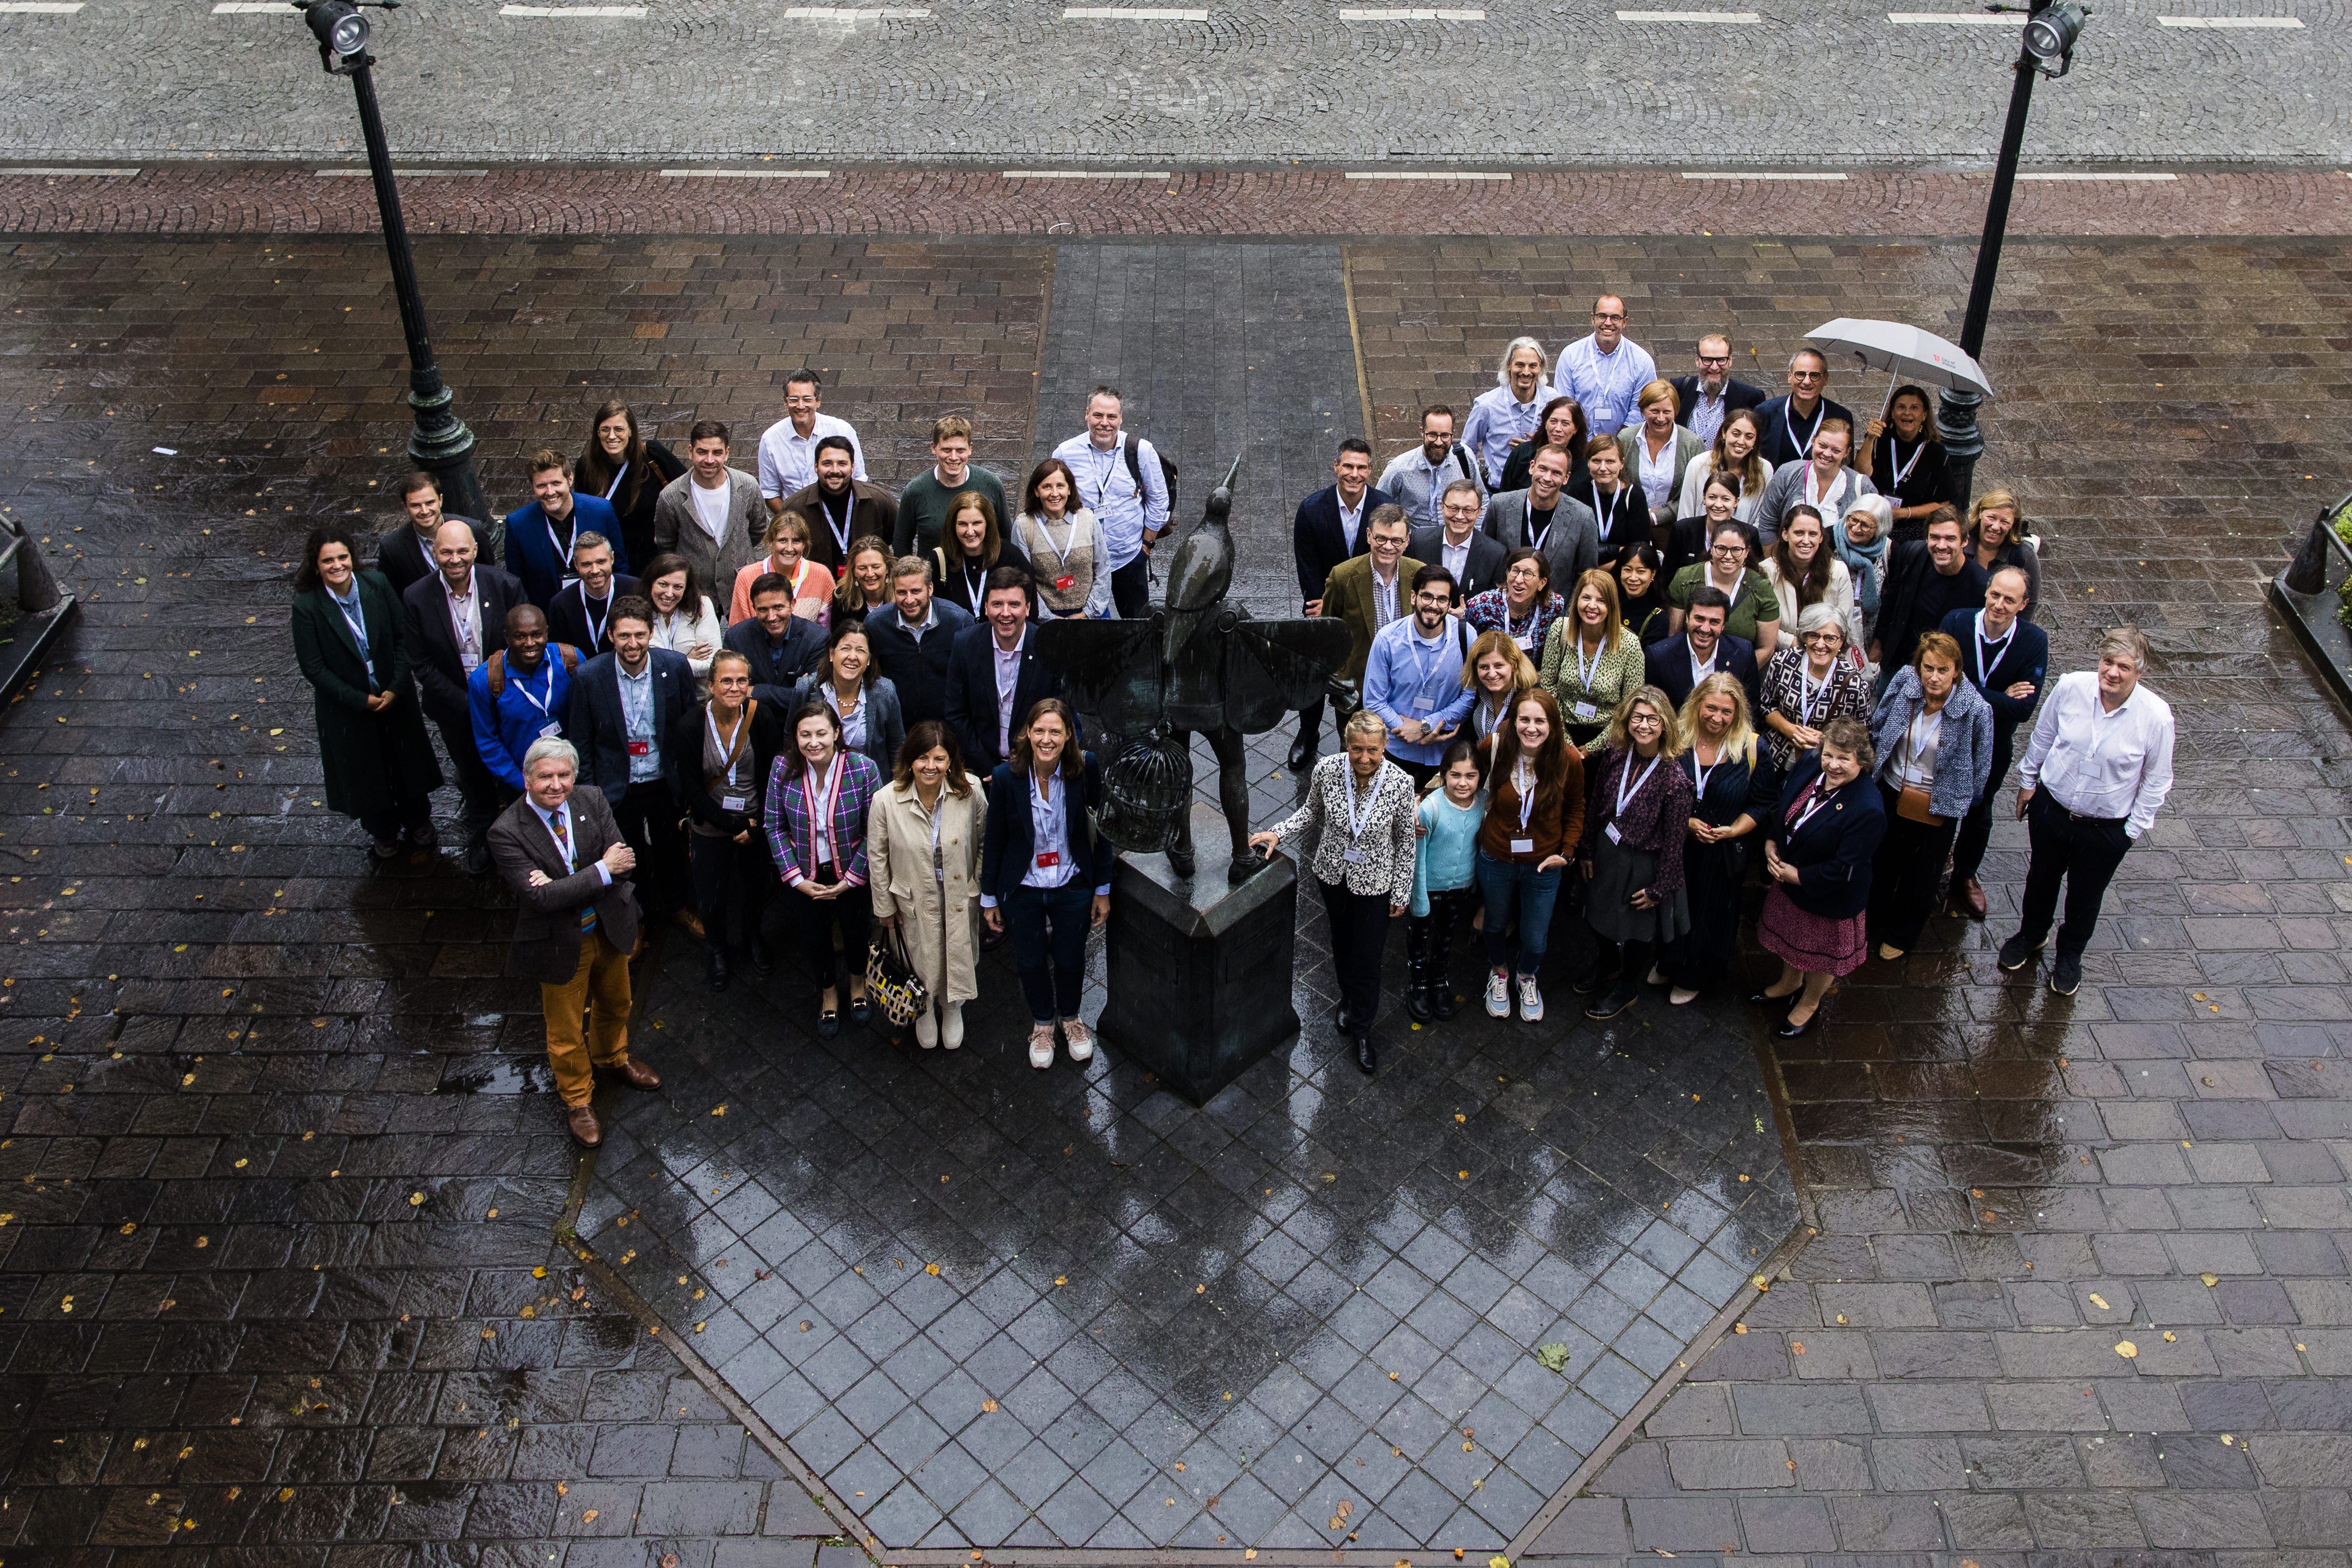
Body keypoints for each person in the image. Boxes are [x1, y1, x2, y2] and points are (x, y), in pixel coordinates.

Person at [487, 737, 659, 1147]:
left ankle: (612, 1057)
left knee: (618, 1002)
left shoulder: (592, 799)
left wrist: (568, 885)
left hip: (607, 927)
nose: (555, 785)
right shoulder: (505, 832)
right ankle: (578, 1099)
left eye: (564, 775)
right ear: (527, 779)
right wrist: (599, 869)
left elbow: (624, 865)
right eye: (545, 776)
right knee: (565, 1030)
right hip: (559, 943)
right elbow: (541, 899)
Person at [1999, 629, 2174, 996]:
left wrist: (2130, 831)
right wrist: (2028, 782)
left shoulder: (2156, 718)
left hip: (2105, 828)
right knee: (2041, 877)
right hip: (2052, 809)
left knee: (2085, 894)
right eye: (2107, 662)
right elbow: (2043, 736)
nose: (2111, 672)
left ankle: (2070, 955)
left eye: (2123, 666)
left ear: (2138, 672)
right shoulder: (2070, 687)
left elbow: (2156, 781)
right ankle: (2032, 933)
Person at [1251, 709, 1418, 1073]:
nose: (1364, 758)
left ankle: (1362, 1029)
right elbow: (1311, 812)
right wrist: (1278, 831)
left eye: (1372, 750)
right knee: (1341, 944)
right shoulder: (1327, 770)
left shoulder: (1401, 784)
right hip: (1332, 875)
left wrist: (1401, 891)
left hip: (1375, 883)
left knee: (1368, 958)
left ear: (1385, 746)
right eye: (1357, 749)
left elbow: (1406, 842)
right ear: (1346, 744)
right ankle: (1348, 996)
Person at [292, 525, 443, 860]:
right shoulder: (307, 607)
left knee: (406, 759)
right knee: (364, 769)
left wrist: (396, 686)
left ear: (352, 558)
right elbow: (314, 668)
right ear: (316, 566)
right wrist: (359, 699)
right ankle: (383, 831)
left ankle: (418, 820)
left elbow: (404, 637)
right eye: (328, 560)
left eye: (342, 557)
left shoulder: (377, 584)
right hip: (348, 706)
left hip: (394, 694)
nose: (337, 565)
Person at [982, 699, 1112, 1068]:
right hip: (1023, 886)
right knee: (1030, 959)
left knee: (1071, 958)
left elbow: (1101, 831)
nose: (1046, 738)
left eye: (1055, 731)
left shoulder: (1085, 768)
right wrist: (989, 897)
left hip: (1071, 883)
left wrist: (1101, 889)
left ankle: (1070, 1018)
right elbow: (994, 840)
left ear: (1069, 734)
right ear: (1027, 733)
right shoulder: (1006, 778)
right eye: (1039, 730)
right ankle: (1042, 1022)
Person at [403, 517, 527, 875]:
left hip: (506, 701)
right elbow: (421, 663)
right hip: (453, 706)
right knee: (471, 770)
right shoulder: (416, 597)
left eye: (461, 551)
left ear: (475, 549)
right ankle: (485, 831)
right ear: (434, 552)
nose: (454, 559)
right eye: (445, 552)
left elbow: (525, 644)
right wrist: (467, 703)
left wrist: (496, 696)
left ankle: (522, 828)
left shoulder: (505, 586)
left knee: (513, 763)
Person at [568, 595, 697, 935]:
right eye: (624, 635)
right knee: (626, 856)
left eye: (639, 635)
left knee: (670, 850)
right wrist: (591, 792)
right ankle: (635, 920)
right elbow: (581, 740)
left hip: (662, 780)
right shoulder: (588, 676)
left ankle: (678, 906)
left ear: (651, 632)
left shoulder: (675, 667)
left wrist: (686, 782)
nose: (632, 644)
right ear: (611, 635)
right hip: (616, 785)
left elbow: (688, 727)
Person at [1755, 717, 1886, 1037]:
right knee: (1794, 941)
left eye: (1844, 758)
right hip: (1792, 881)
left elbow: (1845, 869)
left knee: (1820, 956)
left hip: (1829, 897)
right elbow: (1782, 800)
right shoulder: (1812, 763)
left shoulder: (1867, 808)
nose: (1833, 764)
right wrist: (1772, 839)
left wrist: (1796, 875)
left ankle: (1810, 1001)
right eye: (1829, 754)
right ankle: (1789, 982)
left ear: (1861, 759)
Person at [1865, 632, 1992, 960]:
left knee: (1922, 873)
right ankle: (1868, 920)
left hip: (1937, 803)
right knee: (1880, 861)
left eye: (1942, 670)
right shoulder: (1905, 682)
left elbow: (1982, 762)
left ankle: (1901, 934)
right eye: (1928, 667)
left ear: (1957, 671)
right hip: (1891, 790)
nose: (1933, 677)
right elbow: (1878, 725)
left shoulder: (1976, 709)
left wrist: (1962, 797)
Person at [764, 700, 882, 1037]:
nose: (813, 742)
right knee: (815, 938)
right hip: (805, 876)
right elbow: (773, 825)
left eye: (820, 733)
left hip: (851, 872)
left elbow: (875, 830)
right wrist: (796, 879)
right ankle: (829, 995)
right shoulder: (781, 768)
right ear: (795, 737)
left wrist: (852, 879)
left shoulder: (862, 769)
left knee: (857, 932)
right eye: (805, 734)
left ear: (836, 733)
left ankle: (858, 988)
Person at [870, 721, 988, 1049]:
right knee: (920, 956)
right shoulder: (885, 801)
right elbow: (877, 858)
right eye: (923, 758)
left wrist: (976, 883)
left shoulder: (971, 790)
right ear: (910, 759)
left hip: (958, 894)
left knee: (955, 952)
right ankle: (922, 1008)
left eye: (939, 758)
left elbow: (984, 843)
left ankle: (952, 1008)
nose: (930, 767)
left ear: (951, 761)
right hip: (911, 899)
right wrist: (884, 907)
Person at [1577, 687, 1694, 1019]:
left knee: (1636, 931)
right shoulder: (1616, 752)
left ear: (1665, 724)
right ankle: (1608, 962)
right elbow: (1598, 803)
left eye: (1652, 719)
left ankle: (1627, 985)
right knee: (1596, 914)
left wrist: (1661, 888)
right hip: (1605, 849)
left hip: (1643, 862)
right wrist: (1586, 847)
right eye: (1637, 717)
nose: (1643, 725)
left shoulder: (1674, 780)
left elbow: (1675, 842)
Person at [670, 650, 783, 992]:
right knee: (711, 893)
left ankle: (752, 936)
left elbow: (772, 775)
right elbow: (691, 789)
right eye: (726, 681)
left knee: (755, 887)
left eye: (741, 681)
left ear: (750, 685)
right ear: (710, 685)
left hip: (754, 820)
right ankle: (717, 949)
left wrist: (757, 823)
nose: (734, 688)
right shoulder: (691, 725)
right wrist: (736, 827)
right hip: (710, 823)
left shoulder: (760, 717)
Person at [1941, 565, 2048, 918]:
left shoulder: (2033, 641)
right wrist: (1996, 695)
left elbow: (2022, 709)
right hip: (1944, 734)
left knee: (1979, 809)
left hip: (1992, 744)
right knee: (1934, 800)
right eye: (1995, 594)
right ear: (1986, 591)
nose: (1999, 604)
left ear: (2023, 604)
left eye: (2009, 599)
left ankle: (1965, 873)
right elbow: (1937, 686)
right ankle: (1930, 867)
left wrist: (1966, 687)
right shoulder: (1956, 622)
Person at [1471, 690, 1583, 1023]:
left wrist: (1567, 852)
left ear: (1552, 724)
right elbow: (1462, 778)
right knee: (1494, 922)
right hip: (1497, 857)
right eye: (1524, 719)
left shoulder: (1568, 760)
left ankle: (1527, 975)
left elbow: (1577, 807)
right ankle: (1499, 972)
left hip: (1544, 863)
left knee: (1535, 936)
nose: (1531, 728)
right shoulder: (1493, 748)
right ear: (1513, 721)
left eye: (1539, 721)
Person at [1658, 675, 1767, 1005]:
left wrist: (1734, 829)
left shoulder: (1751, 747)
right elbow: (1659, 790)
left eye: (1726, 712)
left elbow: (1762, 801)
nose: (1717, 718)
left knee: (1711, 914)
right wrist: (1685, 821)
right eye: (1711, 708)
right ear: (1696, 704)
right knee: (1675, 905)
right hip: (1680, 844)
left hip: (1721, 853)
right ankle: (1670, 961)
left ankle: (1696, 975)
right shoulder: (1677, 738)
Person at [1287, 440, 1390, 767]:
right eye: (1348, 466)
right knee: (1313, 669)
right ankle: (1308, 732)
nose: (1354, 474)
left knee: (1363, 672)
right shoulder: (1311, 509)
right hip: (1324, 605)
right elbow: (1308, 566)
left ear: (1371, 470)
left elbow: (1388, 559)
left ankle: (1360, 740)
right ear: (1336, 466)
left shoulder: (1384, 508)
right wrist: (1321, 605)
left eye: (1361, 467)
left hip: (1368, 605)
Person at [1051, 385, 1170, 619]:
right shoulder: (1066, 453)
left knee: (1137, 624)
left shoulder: (1142, 451)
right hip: (1083, 560)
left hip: (1128, 557)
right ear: (1087, 414)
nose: (1104, 423)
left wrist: (1146, 548)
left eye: (1111, 416)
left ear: (1120, 418)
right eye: (1098, 415)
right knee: (1083, 622)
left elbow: (1159, 501)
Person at [1363, 565, 1476, 785]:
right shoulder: (1387, 640)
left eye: (1442, 599)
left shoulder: (1466, 637)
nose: (1434, 606)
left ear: (1450, 604)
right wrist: (1406, 730)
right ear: (1414, 597)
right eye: (1427, 597)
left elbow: (1470, 697)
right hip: (1396, 750)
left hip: (1445, 753)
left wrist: (1424, 726)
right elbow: (1373, 701)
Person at [945, 565, 1064, 773]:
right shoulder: (965, 645)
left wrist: (1022, 764)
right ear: (986, 608)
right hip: (979, 770)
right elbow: (956, 714)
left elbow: (1061, 714)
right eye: (997, 604)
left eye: (1014, 605)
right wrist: (990, 769)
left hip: (1034, 767)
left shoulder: (1050, 648)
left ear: (1027, 608)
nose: (1005, 613)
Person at [1406, 739, 1486, 1023]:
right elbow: (1418, 857)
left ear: (1480, 777)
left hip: (1461, 887)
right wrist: (1419, 899)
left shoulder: (1483, 804)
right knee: (1420, 935)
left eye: (1471, 776)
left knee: (1447, 934)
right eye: (1455, 775)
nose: (1463, 783)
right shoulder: (1430, 808)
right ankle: (1418, 983)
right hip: (1429, 888)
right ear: (1444, 775)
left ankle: (1439, 978)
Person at [1320, 506, 1422, 724]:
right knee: (1357, 752)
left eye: (1396, 541)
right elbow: (1328, 632)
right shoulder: (1343, 576)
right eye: (1381, 539)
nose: (1388, 547)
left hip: (1406, 688)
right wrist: (1340, 674)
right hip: (1358, 686)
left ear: (1407, 541)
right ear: (1368, 536)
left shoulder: (1419, 574)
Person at [469, 605, 580, 794]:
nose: (530, 643)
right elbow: (488, 741)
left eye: (537, 635)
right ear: (507, 637)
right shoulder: (484, 681)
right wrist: (525, 785)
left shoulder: (571, 660)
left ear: (546, 633)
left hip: (573, 777)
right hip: (523, 785)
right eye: (520, 636)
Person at [651, 419, 766, 599]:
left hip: (741, 584)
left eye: (717, 453)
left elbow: (759, 529)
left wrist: (734, 552)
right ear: (690, 452)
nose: (710, 460)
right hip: (696, 590)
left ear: (727, 453)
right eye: (702, 452)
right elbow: (666, 544)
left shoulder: (748, 486)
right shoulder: (671, 496)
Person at [1756, 603, 1874, 775]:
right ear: (1804, 637)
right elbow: (1765, 706)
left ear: (1841, 641)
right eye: (1814, 636)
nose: (1820, 645)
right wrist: (1790, 730)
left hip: (1820, 771)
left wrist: (1826, 740)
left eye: (1830, 638)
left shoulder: (1855, 685)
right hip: (1773, 760)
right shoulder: (1783, 662)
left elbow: (1864, 740)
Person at [1871, 508, 1988, 678]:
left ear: (1965, 542)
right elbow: (1891, 601)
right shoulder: (1913, 555)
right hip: (1897, 664)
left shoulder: (1980, 584)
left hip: (1938, 675)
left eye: (1950, 539)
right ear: (1926, 538)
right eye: (1935, 538)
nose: (1941, 546)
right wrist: (1877, 646)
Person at [506, 449, 627, 610]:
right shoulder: (517, 524)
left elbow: (619, 564)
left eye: (556, 483)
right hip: (550, 614)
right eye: (542, 486)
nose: (550, 492)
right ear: (533, 487)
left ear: (570, 479)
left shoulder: (601, 511)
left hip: (602, 608)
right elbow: (517, 582)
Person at [864, 556, 975, 729]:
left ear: (930, 589)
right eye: (902, 593)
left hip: (949, 727)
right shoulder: (876, 625)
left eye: (916, 591)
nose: (909, 600)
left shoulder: (959, 621)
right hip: (898, 727)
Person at [1539, 568, 1643, 751]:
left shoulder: (1630, 645)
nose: (1592, 606)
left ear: (1611, 605)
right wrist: (1566, 742)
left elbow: (1629, 705)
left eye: (1601, 601)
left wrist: (1593, 748)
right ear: (1577, 599)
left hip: (1608, 740)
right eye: (1586, 598)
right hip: (1559, 733)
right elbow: (1548, 688)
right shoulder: (1560, 630)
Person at [576, 400, 685, 573]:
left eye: (619, 429)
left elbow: (689, 490)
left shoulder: (653, 456)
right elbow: (583, 515)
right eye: (605, 429)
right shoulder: (586, 467)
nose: (612, 436)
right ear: (597, 432)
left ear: (631, 431)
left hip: (655, 563)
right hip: (611, 564)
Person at [791, 617, 906, 777]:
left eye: (861, 651)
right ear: (832, 654)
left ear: (868, 660)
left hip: (870, 788)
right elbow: (791, 739)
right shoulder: (806, 689)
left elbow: (897, 746)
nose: (853, 657)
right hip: (817, 786)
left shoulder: (884, 692)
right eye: (846, 648)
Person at [1483, 442, 1600, 590]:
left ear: (1566, 478)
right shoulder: (1500, 505)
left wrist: (1566, 613)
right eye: (1543, 469)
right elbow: (1486, 561)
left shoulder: (1583, 517)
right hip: (1504, 605)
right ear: (1532, 467)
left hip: (1555, 610)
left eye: (1556, 473)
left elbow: (1586, 575)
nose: (1547, 478)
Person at [894, 413, 1009, 559]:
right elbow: (901, 544)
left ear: (970, 449)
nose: (954, 457)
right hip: (934, 578)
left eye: (960, 450)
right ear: (933, 448)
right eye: (947, 450)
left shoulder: (991, 484)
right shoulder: (915, 490)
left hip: (982, 576)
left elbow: (1006, 537)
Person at [757, 368, 866, 519]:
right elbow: (770, 493)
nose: (801, 406)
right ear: (785, 401)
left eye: (807, 399)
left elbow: (859, 480)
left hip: (842, 519)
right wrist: (794, 523)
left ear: (818, 401)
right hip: (796, 524)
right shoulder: (770, 440)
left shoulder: (842, 430)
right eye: (794, 400)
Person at [781, 436, 897, 578]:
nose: (835, 471)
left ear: (853, 466)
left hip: (867, 587)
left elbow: (895, 541)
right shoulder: (795, 508)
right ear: (816, 466)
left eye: (842, 464)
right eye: (827, 464)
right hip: (817, 589)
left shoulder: (880, 502)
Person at [1013, 459, 1113, 622]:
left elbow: (1103, 569)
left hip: (1091, 614)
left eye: (1060, 486)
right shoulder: (1024, 526)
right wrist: (1049, 618)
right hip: (1045, 618)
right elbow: (1023, 580)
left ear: (1069, 489)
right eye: (1047, 487)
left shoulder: (1088, 520)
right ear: (1036, 491)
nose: (1054, 493)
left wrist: (1087, 613)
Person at [1755, 420, 1875, 550]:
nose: (1827, 454)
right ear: (1813, 441)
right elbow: (1768, 524)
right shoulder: (1787, 473)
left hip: (1839, 566)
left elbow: (1874, 531)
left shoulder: (1861, 486)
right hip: (1786, 564)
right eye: (1823, 446)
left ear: (1847, 452)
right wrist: (1775, 564)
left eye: (1836, 450)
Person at [1669, 522, 1781, 659]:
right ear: (1711, 547)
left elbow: (1766, 648)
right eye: (1721, 549)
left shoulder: (1761, 589)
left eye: (1736, 550)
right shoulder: (1685, 578)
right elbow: (1674, 636)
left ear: (1746, 552)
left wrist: (1733, 678)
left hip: (1739, 674)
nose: (1728, 556)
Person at [1553, 293, 1659, 438]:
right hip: (1576, 445)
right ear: (1593, 319)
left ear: (1625, 322)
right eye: (1602, 316)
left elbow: (1639, 410)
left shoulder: (1642, 362)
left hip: (1621, 448)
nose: (1608, 323)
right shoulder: (1571, 355)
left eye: (1615, 318)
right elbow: (1563, 405)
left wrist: (1615, 445)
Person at [1760, 504, 1861, 653]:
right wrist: (1793, 643)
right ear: (1785, 534)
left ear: (1821, 537)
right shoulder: (1766, 571)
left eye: (1813, 534)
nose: (1806, 541)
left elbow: (1844, 625)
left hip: (1826, 654)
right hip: (1779, 655)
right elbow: (1761, 625)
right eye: (1799, 533)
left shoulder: (1839, 571)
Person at [724, 572, 828, 707]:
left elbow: (813, 697)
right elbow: (731, 693)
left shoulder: (816, 638)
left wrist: (755, 690)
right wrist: (795, 693)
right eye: (763, 610)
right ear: (754, 608)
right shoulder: (737, 638)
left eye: (778, 607)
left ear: (792, 604)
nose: (772, 617)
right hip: (753, 721)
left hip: (801, 722)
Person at [1646, 587, 1758, 711]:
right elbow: (1653, 711)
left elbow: (1750, 710)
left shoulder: (1743, 653)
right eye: (1699, 619)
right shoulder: (1659, 656)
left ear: (1724, 625)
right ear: (1687, 618)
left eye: (1714, 622)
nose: (1705, 629)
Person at [377, 471, 488, 598]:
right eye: (416, 506)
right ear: (405, 507)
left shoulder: (473, 530)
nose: (424, 511)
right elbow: (393, 595)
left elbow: (488, 574)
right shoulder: (393, 548)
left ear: (440, 500)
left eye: (430, 503)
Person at [1463, 336, 1551, 489]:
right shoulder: (1487, 406)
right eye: (1520, 365)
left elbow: (1568, 446)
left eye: (1532, 366)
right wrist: (1477, 486)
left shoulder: (1554, 402)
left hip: (1541, 492)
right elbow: (1467, 450)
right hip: (1497, 492)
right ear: (1509, 365)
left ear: (1541, 367)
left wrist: (1539, 447)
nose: (1526, 372)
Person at [1855, 385, 1945, 535]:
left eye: (1915, 408)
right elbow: (1860, 474)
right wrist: (1870, 439)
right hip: (1872, 520)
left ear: (1924, 415)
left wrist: (1904, 513)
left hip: (1912, 527)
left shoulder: (1936, 451)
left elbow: (1942, 504)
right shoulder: (1879, 439)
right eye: (1901, 407)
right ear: (1893, 412)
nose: (1907, 413)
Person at [931, 492, 1035, 620]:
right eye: (963, 524)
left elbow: (1031, 612)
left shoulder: (1011, 557)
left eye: (977, 523)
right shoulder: (939, 560)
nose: (970, 532)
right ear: (953, 526)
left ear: (988, 523)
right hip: (955, 639)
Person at [1617, 381, 1705, 528]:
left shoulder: (1692, 444)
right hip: (1630, 523)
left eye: (1667, 412)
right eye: (1655, 411)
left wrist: (1658, 516)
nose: (1661, 418)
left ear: (1676, 412)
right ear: (1643, 411)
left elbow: (1698, 493)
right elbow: (1617, 480)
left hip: (1675, 527)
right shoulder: (1626, 439)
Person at [1380, 404, 1484, 528]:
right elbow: (1378, 504)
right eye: (1433, 435)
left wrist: (1474, 533)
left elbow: (1483, 498)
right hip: (1415, 542)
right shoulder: (1399, 468)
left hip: (1456, 538)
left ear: (1453, 434)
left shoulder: (1465, 458)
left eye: (1445, 436)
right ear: (1422, 431)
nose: (1439, 443)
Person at [1410, 480, 1508, 607]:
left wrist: (1467, 615)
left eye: (1468, 510)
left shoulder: (1496, 554)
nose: (1460, 516)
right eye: (1454, 508)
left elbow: (1494, 604)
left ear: (1479, 512)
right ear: (1443, 507)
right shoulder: (1418, 541)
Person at [724, 510, 831, 627]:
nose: (789, 548)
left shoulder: (822, 575)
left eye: (796, 541)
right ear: (770, 542)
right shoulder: (747, 577)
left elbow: (827, 633)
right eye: (783, 540)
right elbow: (738, 631)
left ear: (804, 544)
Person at [1674, 408, 1774, 533]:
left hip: (1742, 546)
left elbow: (1760, 518)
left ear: (1755, 442)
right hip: (1699, 544)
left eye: (1749, 437)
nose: (1741, 442)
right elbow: (1685, 514)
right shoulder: (1698, 464)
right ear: (1724, 434)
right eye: (1736, 434)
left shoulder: (1764, 470)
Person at [1753, 348, 1856, 468]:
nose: (1807, 382)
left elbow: (1846, 465)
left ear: (1826, 379)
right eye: (1800, 374)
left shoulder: (1841, 417)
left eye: (1815, 375)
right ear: (1790, 377)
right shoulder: (1765, 413)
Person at [545, 533, 640, 659]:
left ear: (612, 559)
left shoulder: (635, 590)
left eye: (601, 562)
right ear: (576, 565)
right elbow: (560, 655)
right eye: (586, 564)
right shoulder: (561, 604)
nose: (595, 570)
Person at [1465, 546, 1567, 662]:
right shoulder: (1481, 605)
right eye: (1515, 571)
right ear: (1507, 573)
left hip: (1534, 678)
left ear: (1542, 583)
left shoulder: (1554, 607)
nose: (1519, 580)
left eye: (1528, 574)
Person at [1669, 333, 1766, 448]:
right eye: (1708, 360)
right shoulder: (1679, 388)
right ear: (1697, 360)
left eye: (1721, 360)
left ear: (1730, 361)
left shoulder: (1751, 398)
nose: (1714, 367)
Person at [639, 553, 725, 679]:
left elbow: (713, 666)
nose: (669, 594)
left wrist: (666, 665)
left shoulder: (702, 605)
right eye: (663, 584)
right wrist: (684, 660)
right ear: (651, 582)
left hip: (697, 696)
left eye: (678, 587)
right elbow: (640, 667)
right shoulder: (637, 612)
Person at [1662, 470, 1753, 582]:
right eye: (1712, 497)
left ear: (1736, 502)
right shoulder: (1683, 530)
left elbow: (1751, 579)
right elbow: (1667, 578)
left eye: (1726, 499)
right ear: (1704, 498)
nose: (1718, 505)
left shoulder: (1749, 534)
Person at [1966, 489, 2042, 620]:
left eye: (2004, 522)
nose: (1996, 527)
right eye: (1992, 517)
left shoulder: (2024, 556)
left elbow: (2030, 603)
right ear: (1980, 513)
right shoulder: (1961, 542)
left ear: (2013, 524)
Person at [1497, 394, 1591, 498]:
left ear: (1576, 429)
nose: (1558, 429)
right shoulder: (1521, 454)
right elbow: (1504, 497)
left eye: (1565, 424)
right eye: (1553, 422)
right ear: (1546, 423)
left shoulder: (1586, 463)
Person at [1462, 628, 1540, 751]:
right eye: (1484, 667)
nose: (1492, 674)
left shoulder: (1532, 697)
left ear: (1514, 664)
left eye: (1499, 666)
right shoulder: (1481, 690)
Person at [1833, 495, 1893, 653]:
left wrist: (1878, 645)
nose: (1856, 528)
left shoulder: (1888, 550)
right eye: (1853, 519)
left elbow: (1891, 600)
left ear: (1879, 529)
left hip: (1867, 635)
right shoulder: (1829, 541)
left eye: (1865, 525)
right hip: (1830, 630)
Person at [1579, 439, 1650, 567]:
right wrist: (1618, 549)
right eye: (1596, 461)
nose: (1603, 468)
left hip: (1623, 575)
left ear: (1622, 464)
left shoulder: (1634, 496)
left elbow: (1638, 551)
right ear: (1588, 463)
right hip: (1585, 575)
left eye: (1610, 462)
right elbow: (1577, 549)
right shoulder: (1578, 493)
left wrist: (1601, 572)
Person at [1615, 544, 1674, 647]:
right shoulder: (1607, 602)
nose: (1633, 578)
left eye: (1641, 572)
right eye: (1628, 570)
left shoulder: (1657, 619)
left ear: (1653, 575)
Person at [832, 534, 898, 624]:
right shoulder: (842, 597)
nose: (870, 574)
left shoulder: (902, 593)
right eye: (862, 568)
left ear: (887, 568)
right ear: (854, 571)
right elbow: (839, 636)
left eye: (876, 567)